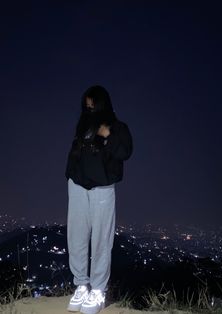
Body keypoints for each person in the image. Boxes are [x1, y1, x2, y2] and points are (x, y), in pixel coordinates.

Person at [65, 85, 133, 314]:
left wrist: (107, 135)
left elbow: (125, 151)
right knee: (76, 237)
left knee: (101, 240)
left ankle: (98, 291)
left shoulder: (117, 127)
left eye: (93, 103)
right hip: (76, 185)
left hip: (102, 189)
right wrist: (71, 173)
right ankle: (81, 285)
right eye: (86, 104)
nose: (89, 107)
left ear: (102, 103)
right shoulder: (83, 125)